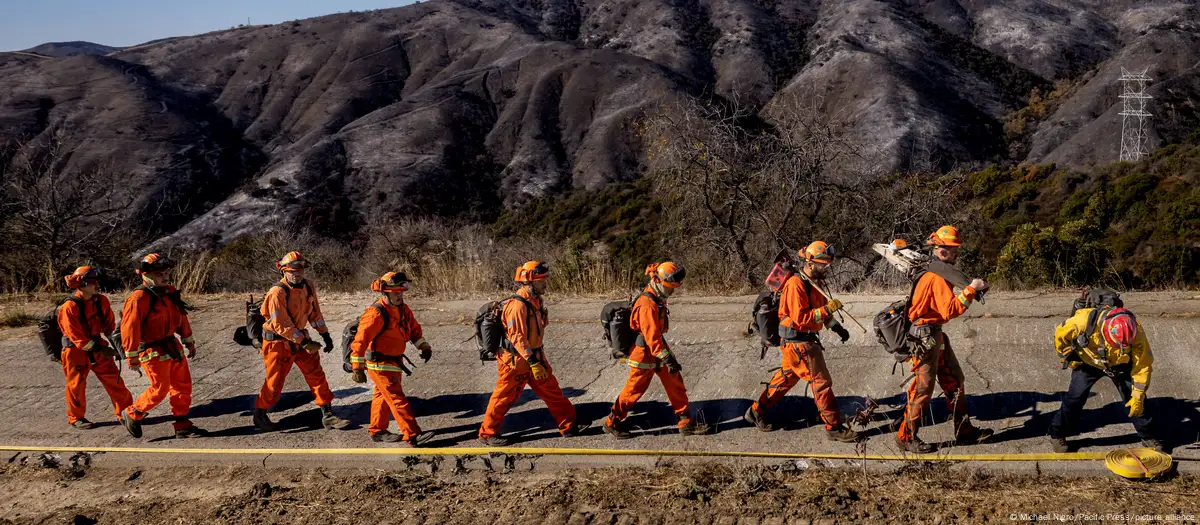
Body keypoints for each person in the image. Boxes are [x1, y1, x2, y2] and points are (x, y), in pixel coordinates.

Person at [743, 242, 857, 442]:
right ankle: (833, 426)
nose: (827, 268)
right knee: (821, 383)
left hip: (798, 342)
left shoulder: (815, 283)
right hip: (799, 343)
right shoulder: (796, 285)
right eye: (823, 264)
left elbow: (820, 313)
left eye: (828, 264)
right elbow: (802, 318)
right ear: (810, 263)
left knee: (786, 379)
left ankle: (756, 411)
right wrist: (828, 309)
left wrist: (837, 327)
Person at [895, 226, 993, 453]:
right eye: (950, 249)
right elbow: (951, 310)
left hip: (935, 335)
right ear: (938, 249)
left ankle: (964, 431)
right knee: (922, 389)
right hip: (925, 337)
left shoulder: (937, 271)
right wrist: (971, 289)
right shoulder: (936, 277)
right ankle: (905, 436)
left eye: (955, 249)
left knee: (954, 379)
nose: (954, 253)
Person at [478, 261, 586, 445]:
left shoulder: (535, 301)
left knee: (553, 391)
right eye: (541, 280)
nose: (545, 283)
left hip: (534, 356)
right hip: (516, 361)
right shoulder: (518, 306)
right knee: (503, 398)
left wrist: (536, 360)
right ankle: (487, 434)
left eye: (545, 279)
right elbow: (517, 337)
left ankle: (569, 425)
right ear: (529, 281)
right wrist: (533, 362)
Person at [602, 262, 710, 439]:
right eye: (670, 287)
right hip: (644, 353)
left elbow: (656, 337)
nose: (672, 291)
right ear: (658, 281)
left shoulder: (657, 296)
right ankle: (611, 422)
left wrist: (668, 359)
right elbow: (651, 338)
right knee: (633, 391)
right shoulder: (647, 304)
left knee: (675, 383)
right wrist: (668, 359)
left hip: (657, 348)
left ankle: (685, 422)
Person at [252, 251, 350, 432]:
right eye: (292, 271)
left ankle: (328, 415)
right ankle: (260, 414)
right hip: (278, 344)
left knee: (316, 374)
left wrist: (325, 334)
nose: (297, 274)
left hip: (300, 338)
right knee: (274, 382)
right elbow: (280, 324)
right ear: (284, 271)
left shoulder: (308, 286)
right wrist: (304, 342)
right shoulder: (277, 292)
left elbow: (315, 313)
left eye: (300, 270)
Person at [1048, 306, 1161, 452]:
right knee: (1074, 398)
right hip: (1089, 362)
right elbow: (1060, 334)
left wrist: (1138, 394)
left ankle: (1148, 436)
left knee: (1135, 399)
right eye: (1117, 344)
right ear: (1106, 331)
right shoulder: (1082, 322)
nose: (1121, 346)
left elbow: (1143, 365)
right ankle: (1057, 434)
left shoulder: (1136, 332)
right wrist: (1066, 355)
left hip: (1120, 365)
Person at [120, 253, 207, 439]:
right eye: (160, 274)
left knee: (183, 387)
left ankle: (183, 426)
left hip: (171, 346)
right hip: (151, 349)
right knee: (159, 389)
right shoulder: (138, 298)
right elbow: (130, 328)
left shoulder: (169, 292)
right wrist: (132, 356)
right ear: (145, 275)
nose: (165, 277)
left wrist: (188, 341)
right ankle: (133, 412)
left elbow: (181, 318)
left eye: (166, 273)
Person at [348, 271, 436, 446]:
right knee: (396, 398)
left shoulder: (403, 308)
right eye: (396, 292)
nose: (399, 295)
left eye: (401, 292)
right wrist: (357, 368)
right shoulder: (375, 314)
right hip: (380, 364)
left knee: (382, 396)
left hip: (394, 361)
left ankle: (377, 430)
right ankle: (412, 435)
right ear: (386, 292)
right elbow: (360, 340)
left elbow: (414, 329)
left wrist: (423, 346)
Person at [58, 266, 133, 429]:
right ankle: (76, 418)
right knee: (76, 384)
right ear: (82, 284)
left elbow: (109, 327)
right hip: (75, 351)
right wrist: (100, 349)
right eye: (92, 282)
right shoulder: (69, 307)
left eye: (97, 281)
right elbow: (75, 336)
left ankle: (127, 412)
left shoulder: (102, 301)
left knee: (115, 379)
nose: (96, 285)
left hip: (98, 345)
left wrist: (117, 347)